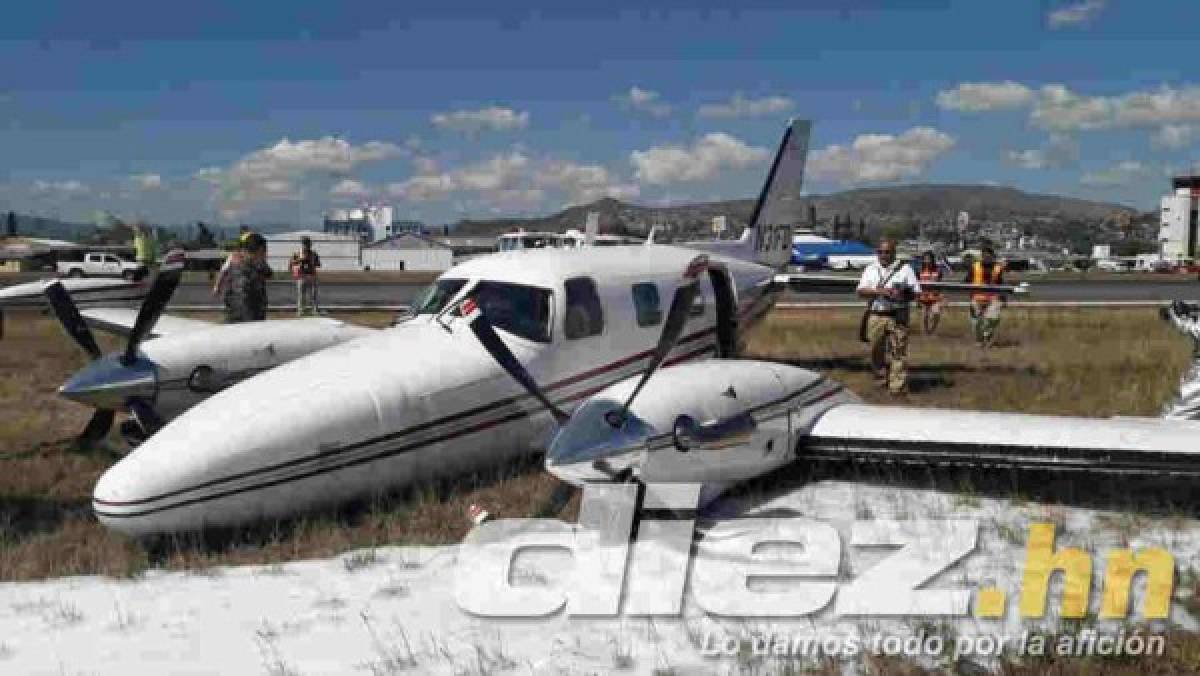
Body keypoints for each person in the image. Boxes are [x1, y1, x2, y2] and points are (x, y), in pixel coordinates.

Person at [856, 238, 921, 395]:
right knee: (875, 349)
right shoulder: (870, 269)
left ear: (894, 253)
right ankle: (880, 376)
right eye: (880, 252)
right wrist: (880, 292)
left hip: (898, 314)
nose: (884, 255)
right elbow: (860, 291)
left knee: (898, 351)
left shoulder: (905, 269)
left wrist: (902, 294)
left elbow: (916, 292)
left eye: (887, 252)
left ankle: (897, 386)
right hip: (876, 314)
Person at [213, 233, 272, 322]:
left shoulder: (258, 262)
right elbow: (224, 272)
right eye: (264, 251)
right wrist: (217, 286)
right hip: (244, 309)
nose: (265, 254)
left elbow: (268, 273)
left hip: (248, 307)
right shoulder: (237, 261)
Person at [965, 245, 1006, 348]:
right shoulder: (974, 267)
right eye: (984, 255)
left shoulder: (998, 268)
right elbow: (966, 281)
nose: (986, 257)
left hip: (993, 298)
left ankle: (987, 335)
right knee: (976, 323)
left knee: (993, 318)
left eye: (989, 255)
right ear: (981, 256)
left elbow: (1000, 283)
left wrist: (1003, 298)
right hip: (977, 298)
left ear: (992, 256)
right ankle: (979, 340)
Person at [289, 236, 321, 317]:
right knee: (301, 295)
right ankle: (301, 310)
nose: (306, 246)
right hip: (301, 276)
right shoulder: (297, 254)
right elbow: (291, 263)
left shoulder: (314, 254)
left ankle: (314, 310)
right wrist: (300, 260)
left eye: (308, 244)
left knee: (313, 294)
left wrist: (311, 261)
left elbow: (319, 264)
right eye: (305, 244)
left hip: (312, 276)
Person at [917, 251, 945, 334]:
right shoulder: (920, 270)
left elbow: (940, 284)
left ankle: (932, 329)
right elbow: (917, 285)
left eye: (929, 259)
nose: (927, 261)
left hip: (935, 297)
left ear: (932, 260)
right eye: (925, 259)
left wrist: (942, 297)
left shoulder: (938, 270)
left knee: (936, 313)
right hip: (923, 297)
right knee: (924, 316)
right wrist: (918, 298)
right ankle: (926, 332)